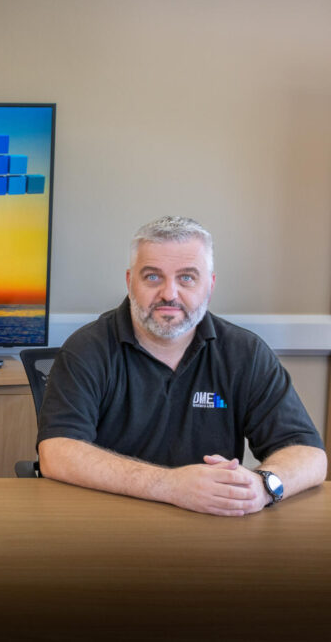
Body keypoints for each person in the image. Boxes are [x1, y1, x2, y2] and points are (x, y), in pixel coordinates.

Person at [37, 216, 326, 516]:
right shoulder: (87, 349)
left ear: (210, 285)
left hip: (209, 529)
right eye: (152, 277)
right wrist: (171, 485)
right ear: (129, 281)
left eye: (187, 277)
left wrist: (264, 486)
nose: (169, 294)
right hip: (107, 524)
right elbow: (57, 452)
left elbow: (310, 455)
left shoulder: (245, 354)